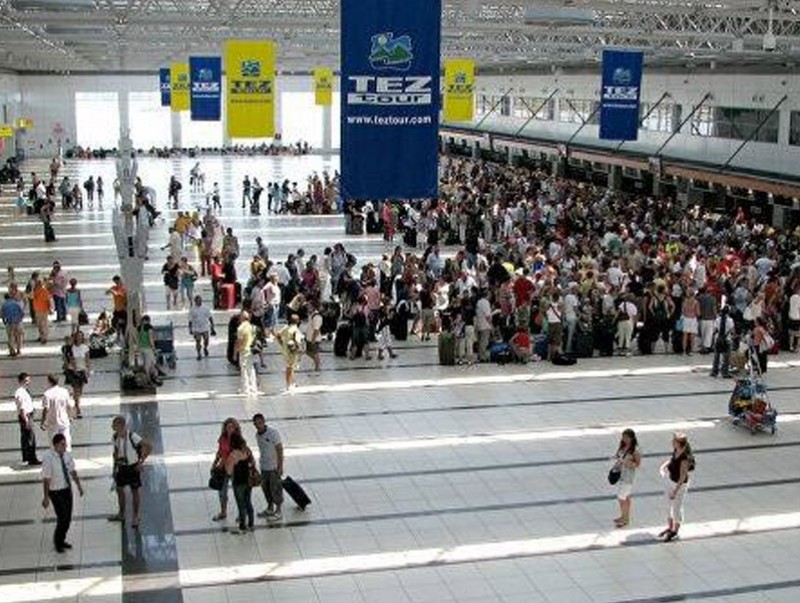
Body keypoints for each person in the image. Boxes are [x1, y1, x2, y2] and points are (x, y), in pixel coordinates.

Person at [41, 433, 83, 553]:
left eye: (65, 444)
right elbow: (46, 478)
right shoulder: (48, 458)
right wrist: (46, 497)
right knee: (62, 517)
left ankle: (62, 539)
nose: (65, 447)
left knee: (68, 517)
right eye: (62, 445)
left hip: (66, 489)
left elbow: (73, 471)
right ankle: (57, 542)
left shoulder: (67, 455)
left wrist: (79, 486)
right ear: (55, 445)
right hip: (55, 492)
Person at [108, 416, 151, 529]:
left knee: (134, 491)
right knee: (119, 490)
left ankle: (135, 516)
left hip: (132, 467)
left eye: (114, 425)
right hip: (121, 467)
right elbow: (115, 452)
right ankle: (121, 514)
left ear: (121, 425)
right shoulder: (115, 437)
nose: (112, 427)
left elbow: (148, 446)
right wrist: (114, 468)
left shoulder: (132, 436)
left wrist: (141, 462)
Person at [659, 432, 694, 542]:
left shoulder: (685, 458)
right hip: (670, 480)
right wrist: (664, 466)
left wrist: (675, 491)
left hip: (679, 485)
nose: (672, 442)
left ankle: (675, 531)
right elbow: (672, 459)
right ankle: (670, 527)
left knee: (677, 508)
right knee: (667, 505)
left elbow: (682, 476)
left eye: (674, 441)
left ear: (679, 443)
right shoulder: (676, 450)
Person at [253, 413, 284, 522]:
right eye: (256, 424)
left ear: (264, 421)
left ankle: (278, 511)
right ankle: (270, 508)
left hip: (273, 468)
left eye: (260, 423)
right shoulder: (257, 435)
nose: (258, 425)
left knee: (276, 489)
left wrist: (280, 466)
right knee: (266, 489)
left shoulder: (273, 433)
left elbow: (280, 449)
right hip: (264, 467)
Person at [225, 432, 256, 534]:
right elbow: (253, 463)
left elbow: (229, 471)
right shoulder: (247, 451)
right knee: (248, 502)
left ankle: (242, 527)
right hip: (248, 481)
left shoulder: (233, 454)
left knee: (241, 505)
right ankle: (251, 524)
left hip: (238, 483)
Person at [211, 418, 241, 522]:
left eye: (232, 427)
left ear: (236, 428)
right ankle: (223, 512)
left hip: (235, 469)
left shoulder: (238, 439)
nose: (230, 429)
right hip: (223, 468)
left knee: (237, 491)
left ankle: (241, 513)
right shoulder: (222, 438)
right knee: (222, 492)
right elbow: (220, 451)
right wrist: (215, 463)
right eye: (228, 427)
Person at [612, 429, 641, 528]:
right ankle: (624, 517)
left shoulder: (635, 450)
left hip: (628, 477)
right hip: (620, 474)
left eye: (626, 437)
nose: (624, 439)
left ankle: (625, 519)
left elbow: (637, 464)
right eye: (623, 437)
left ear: (631, 438)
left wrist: (627, 462)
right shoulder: (623, 446)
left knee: (621, 497)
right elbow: (619, 456)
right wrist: (616, 459)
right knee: (626, 497)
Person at [40, 374, 74, 451]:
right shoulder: (64, 391)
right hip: (64, 421)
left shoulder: (47, 394)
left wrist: (43, 422)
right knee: (66, 439)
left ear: (49, 382)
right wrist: (70, 416)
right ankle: (67, 453)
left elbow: (46, 409)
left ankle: (55, 454)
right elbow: (69, 406)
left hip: (52, 422)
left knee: (53, 442)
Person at [15, 372, 41, 466]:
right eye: (26, 380)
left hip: (28, 415)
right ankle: (31, 458)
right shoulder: (20, 393)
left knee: (27, 437)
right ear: (21, 381)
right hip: (26, 416)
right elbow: (22, 408)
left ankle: (28, 457)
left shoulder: (24, 391)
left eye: (28, 380)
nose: (28, 382)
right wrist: (26, 420)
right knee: (30, 438)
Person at [65, 330, 90, 418]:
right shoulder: (71, 348)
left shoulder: (85, 347)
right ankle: (77, 407)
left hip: (82, 370)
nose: (79, 338)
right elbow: (70, 359)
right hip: (73, 371)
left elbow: (87, 359)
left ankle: (76, 402)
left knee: (80, 390)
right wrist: (74, 370)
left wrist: (88, 370)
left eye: (81, 337)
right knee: (76, 389)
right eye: (77, 337)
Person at [276, 314, 304, 392]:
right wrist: (300, 349)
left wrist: (281, 343)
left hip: (285, 350)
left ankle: (290, 383)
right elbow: (297, 341)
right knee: (291, 368)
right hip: (292, 351)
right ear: (297, 321)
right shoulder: (295, 330)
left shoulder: (286, 328)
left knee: (288, 367)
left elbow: (278, 335)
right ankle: (290, 385)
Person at [235, 311, 259, 397]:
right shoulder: (252, 327)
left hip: (244, 351)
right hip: (252, 350)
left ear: (242, 318)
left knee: (244, 370)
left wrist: (236, 351)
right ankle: (253, 387)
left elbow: (239, 341)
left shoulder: (241, 328)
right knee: (251, 369)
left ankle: (245, 389)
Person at [710, 305, 735, 378]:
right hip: (727, 339)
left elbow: (714, 330)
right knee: (726, 358)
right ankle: (725, 373)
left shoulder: (717, 319)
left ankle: (714, 372)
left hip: (718, 339)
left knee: (716, 357)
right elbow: (732, 331)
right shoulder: (730, 320)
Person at [188, 295, 214, 360]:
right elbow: (190, 320)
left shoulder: (205, 308)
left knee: (206, 339)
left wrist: (212, 326)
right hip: (196, 328)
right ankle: (199, 354)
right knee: (198, 341)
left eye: (200, 300)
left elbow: (210, 317)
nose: (199, 302)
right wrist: (190, 329)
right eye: (197, 301)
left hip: (205, 327)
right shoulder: (192, 310)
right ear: (195, 301)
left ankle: (205, 347)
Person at [1, 291, 24, 356]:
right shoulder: (16, 303)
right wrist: (20, 319)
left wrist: (4, 321)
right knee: (18, 336)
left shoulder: (4, 305)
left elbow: (2, 315)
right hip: (17, 322)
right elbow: (22, 313)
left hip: (10, 323)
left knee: (11, 337)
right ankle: (18, 350)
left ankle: (12, 351)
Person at [32, 276, 52, 344]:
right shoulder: (35, 290)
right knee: (39, 324)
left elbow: (48, 300)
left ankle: (44, 337)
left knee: (44, 324)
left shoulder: (44, 290)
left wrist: (49, 309)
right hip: (37, 309)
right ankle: (41, 336)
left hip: (43, 310)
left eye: (37, 283)